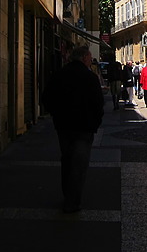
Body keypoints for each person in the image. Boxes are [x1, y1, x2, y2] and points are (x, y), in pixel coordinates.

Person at [42, 45, 104, 213]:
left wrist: (57, 115)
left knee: (67, 161)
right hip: (84, 128)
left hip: (63, 126)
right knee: (79, 164)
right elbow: (98, 103)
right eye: (90, 58)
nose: (91, 60)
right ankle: (73, 202)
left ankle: (67, 195)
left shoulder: (59, 75)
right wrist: (95, 123)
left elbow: (46, 99)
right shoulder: (90, 77)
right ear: (84, 58)